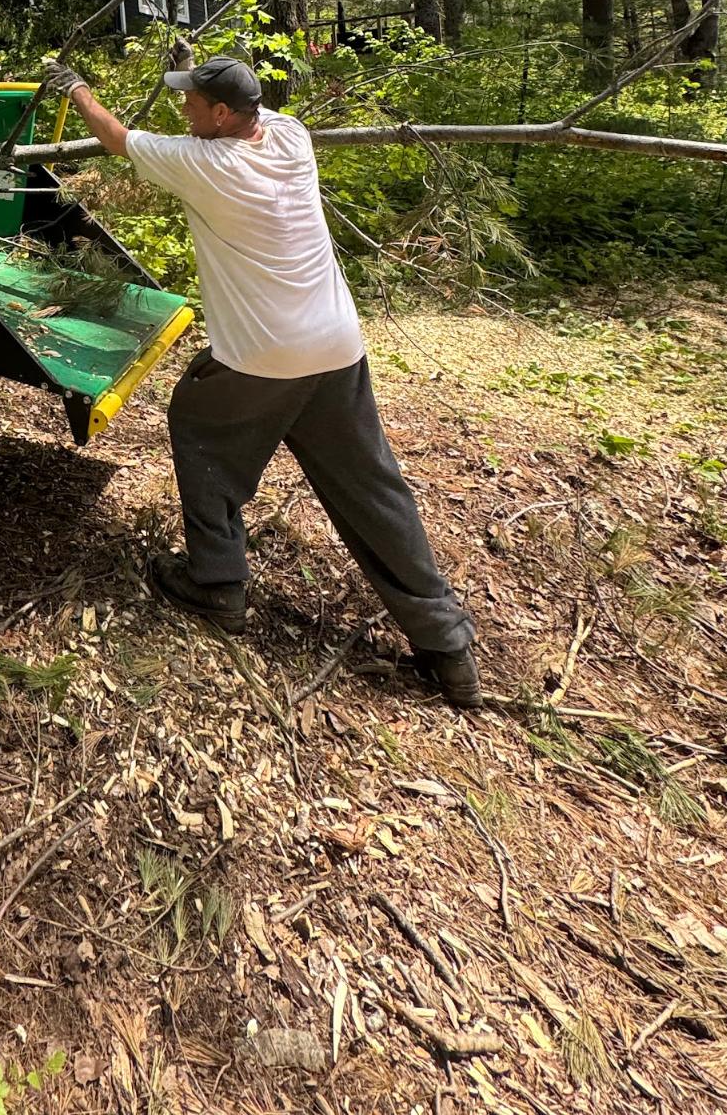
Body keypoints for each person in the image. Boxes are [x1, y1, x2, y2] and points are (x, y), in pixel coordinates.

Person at [41, 53, 482, 708]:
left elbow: (113, 136)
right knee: (373, 488)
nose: (182, 109)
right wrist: (191, 68)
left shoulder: (205, 164)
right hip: (336, 348)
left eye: (192, 101)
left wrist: (74, 87)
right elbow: (237, 108)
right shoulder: (290, 135)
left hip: (264, 358)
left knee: (196, 418)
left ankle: (217, 584)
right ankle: (447, 645)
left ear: (222, 115)